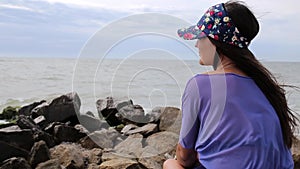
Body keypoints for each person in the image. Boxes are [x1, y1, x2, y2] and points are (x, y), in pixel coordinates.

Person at [163, 1, 298, 169]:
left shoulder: (201, 85)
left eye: (200, 37)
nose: (196, 44)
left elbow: (184, 157)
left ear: (215, 41)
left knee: (170, 163)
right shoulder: (270, 89)